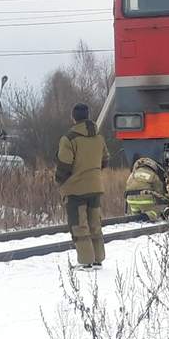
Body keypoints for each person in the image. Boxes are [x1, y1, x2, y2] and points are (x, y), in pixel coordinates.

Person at [55, 103, 109, 270]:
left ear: (73, 117)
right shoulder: (98, 137)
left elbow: (64, 164)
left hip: (75, 188)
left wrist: (59, 181)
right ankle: (98, 259)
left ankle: (86, 262)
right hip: (95, 186)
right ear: (88, 116)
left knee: (79, 225)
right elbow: (105, 160)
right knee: (95, 223)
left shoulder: (69, 139)